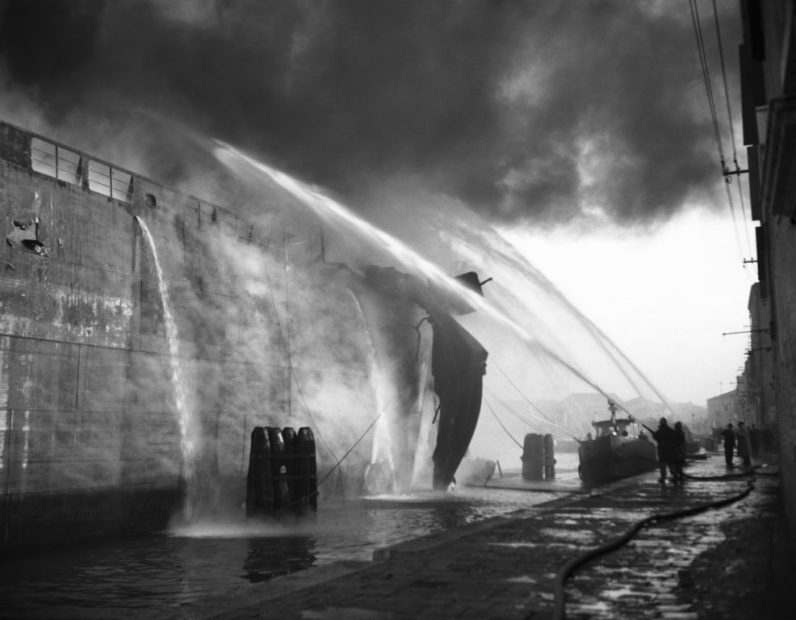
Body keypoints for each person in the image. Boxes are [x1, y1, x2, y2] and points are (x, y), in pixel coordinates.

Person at [646, 418, 677, 484]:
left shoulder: (660, 431)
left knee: (663, 464)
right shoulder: (670, 430)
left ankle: (663, 477)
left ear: (660, 423)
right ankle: (674, 475)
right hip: (670, 449)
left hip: (662, 449)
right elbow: (674, 438)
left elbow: (657, 438)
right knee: (671, 463)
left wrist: (654, 434)